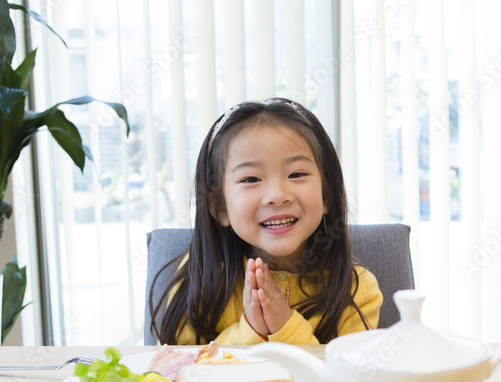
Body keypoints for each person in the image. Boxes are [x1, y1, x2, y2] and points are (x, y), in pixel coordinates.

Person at [151, 97, 382, 345]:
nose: (277, 195)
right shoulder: (201, 275)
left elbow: (345, 371)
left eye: (296, 174)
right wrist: (253, 330)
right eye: (251, 179)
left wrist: (285, 326)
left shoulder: (358, 291)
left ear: (327, 194)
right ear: (219, 207)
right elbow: (180, 364)